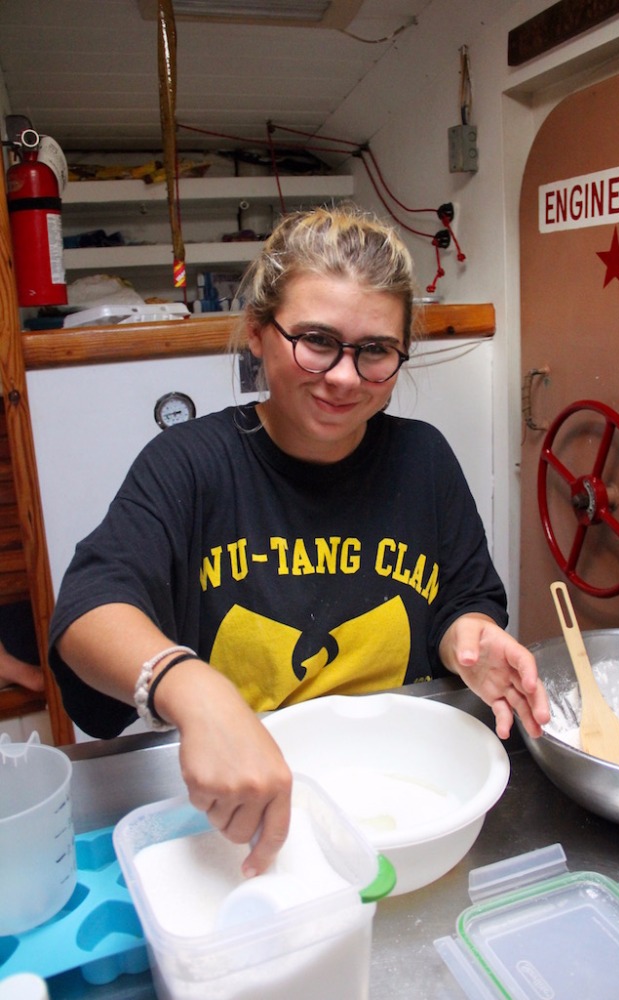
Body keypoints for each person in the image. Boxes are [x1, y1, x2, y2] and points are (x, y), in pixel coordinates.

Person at [49, 204, 550, 878]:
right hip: (238, 818)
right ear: (259, 334)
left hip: (398, 797)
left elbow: (463, 599)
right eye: (316, 340)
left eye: (375, 350)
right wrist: (190, 687)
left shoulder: (423, 460)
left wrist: (472, 638)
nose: (344, 376)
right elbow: (88, 609)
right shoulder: (191, 464)